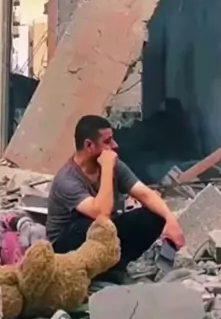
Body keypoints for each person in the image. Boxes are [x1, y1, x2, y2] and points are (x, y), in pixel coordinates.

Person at [46, 115, 185, 279]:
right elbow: (101, 213)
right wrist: (106, 168)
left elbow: (145, 194)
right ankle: (101, 273)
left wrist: (170, 219)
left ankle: (116, 267)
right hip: (67, 247)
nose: (114, 145)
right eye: (107, 141)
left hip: (102, 237)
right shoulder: (67, 180)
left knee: (152, 215)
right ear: (89, 145)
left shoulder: (114, 165)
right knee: (89, 225)